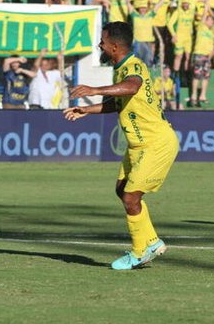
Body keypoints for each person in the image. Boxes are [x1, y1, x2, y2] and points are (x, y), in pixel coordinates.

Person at [64, 21, 178, 270]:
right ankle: (151, 241)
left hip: (156, 143)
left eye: (103, 43)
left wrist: (93, 89)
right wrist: (87, 109)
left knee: (130, 196)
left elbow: (132, 86)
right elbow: (118, 102)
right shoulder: (120, 69)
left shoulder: (133, 67)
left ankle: (140, 251)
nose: (100, 46)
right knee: (122, 190)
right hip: (138, 145)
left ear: (114, 47)